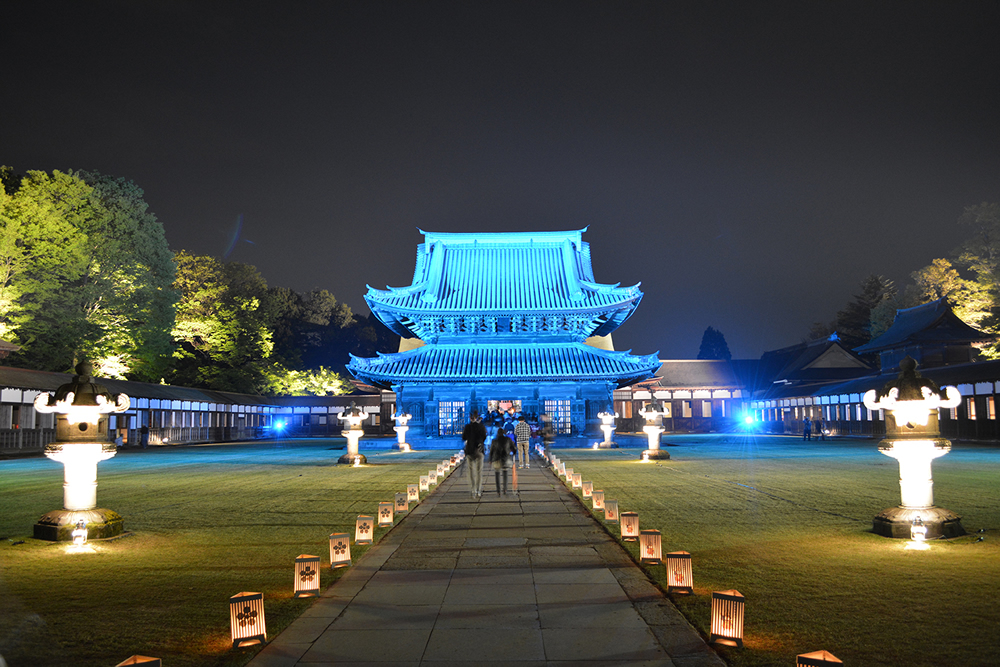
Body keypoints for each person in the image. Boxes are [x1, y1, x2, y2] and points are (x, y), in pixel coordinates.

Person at [462, 411, 487, 499]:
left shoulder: (468, 427)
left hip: (470, 450)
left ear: (470, 418)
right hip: (479, 450)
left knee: (471, 471)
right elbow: (484, 436)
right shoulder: (481, 426)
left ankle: (473, 490)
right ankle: (478, 490)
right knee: (479, 471)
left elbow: (464, 437)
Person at [489, 426, 514, 497]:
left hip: (496, 459)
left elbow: (491, 451)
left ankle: (498, 490)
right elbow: (513, 448)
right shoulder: (508, 439)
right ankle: (505, 489)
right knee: (505, 473)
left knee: (497, 474)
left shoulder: (494, 441)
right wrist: (513, 452)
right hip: (506, 458)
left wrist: (490, 460)